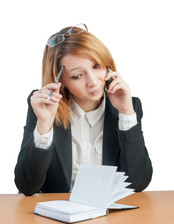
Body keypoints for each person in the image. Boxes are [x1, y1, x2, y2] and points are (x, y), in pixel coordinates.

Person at [14, 23, 153, 196]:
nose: (93, 82)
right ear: (60, 81)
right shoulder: (44, 106)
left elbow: (138, 183)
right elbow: (27, 186)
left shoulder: (129, 106)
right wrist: (44, 125)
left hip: (109, 217)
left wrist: (126, 114)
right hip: (58, 216)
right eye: (77, 76)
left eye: (96, 67)